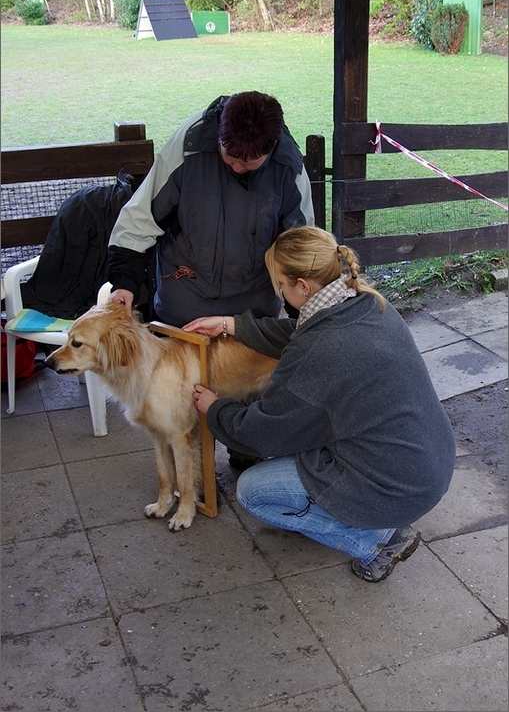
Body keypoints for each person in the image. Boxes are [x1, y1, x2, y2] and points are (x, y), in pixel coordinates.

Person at [184, 226, 456, 583]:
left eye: (281, 284)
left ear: (303, 286)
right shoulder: (365, 302)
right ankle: (364, 514)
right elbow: (301, 333)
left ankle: (377, 542)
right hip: (429, 460)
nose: (279, 291)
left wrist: (215, 407)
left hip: (395, 487)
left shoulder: (320, 352)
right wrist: (231, 325)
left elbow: (262, 435)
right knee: (300, 440)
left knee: (253, 492)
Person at [107, 91, 314, 326]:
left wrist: (301, 314)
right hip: (184, 311)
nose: (237, 168)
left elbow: (301, 248)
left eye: (248, 162)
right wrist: (125, 282)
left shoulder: (288, 165)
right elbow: (141, 218)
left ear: (272, 147)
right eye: (230, 157)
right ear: (219, 136)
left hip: (253, 318)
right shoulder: (190, 143)